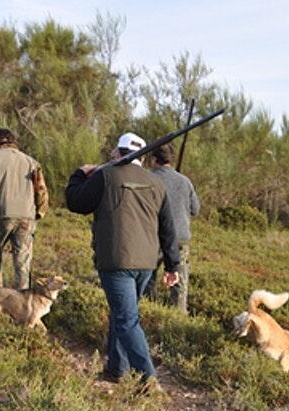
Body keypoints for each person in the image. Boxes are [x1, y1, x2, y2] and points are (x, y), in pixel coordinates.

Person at [65, 132, 180, 388]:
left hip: (116, 262)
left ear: (118, 152)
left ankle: (148, 380)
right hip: (146, 263)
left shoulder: (104, 176)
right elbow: (168, 229)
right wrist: (173, 266)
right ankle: (117, 369)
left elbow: (76, 203)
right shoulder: (156, 183)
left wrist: (79, 174)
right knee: (123, 315)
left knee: (127, 320)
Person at [0, 127, 49, 290]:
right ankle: (22, 302)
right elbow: (41, 190)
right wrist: (39, 212)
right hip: (26, 217)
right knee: (22, 263)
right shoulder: (32, 162)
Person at [144, 143, 200, 314]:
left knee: (148, 280)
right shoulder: (185, 181)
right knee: (179, 284)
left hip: (154, 238)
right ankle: (179, 319)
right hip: (181, 240)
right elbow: (195, 210)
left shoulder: (147, 178)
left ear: (154, 160)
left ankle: (149, 313)